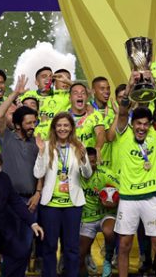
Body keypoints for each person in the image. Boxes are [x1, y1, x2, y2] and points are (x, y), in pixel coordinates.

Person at [106, 71, 156, 277]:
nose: (141, 128)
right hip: (128, 199)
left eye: (145, 124)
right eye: (138, 124)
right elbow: (123, 111)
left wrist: (154, 85)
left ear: (149, 126)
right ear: (133, 125)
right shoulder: (123, 133)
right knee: (124, 245)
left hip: (152, 198)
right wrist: (130, 85)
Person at [33, 113, 92, 277]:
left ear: (71, 128)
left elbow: (87, 174)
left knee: (72, 248)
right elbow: (38, 173)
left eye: (66, 125)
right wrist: (40, 153)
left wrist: (83, 158)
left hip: (72, 206)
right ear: (54, 128)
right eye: (59, 125)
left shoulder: (78, 146)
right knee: (50, 246)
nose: (62, 128)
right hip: (50, 206)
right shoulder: (46, 146)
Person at [0, 89, 43, 277]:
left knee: (25, 247)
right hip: (9, 202)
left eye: (34, 122)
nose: (32, 126)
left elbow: (41, 171)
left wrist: (38, 193)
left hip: (30, 202)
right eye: (28, 123)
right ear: (18, 124)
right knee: (10, 246)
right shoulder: (6, 137)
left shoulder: (36, 143)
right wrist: (14, 94)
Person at [78, 147, 119, 277]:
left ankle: (107, 258)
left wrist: (114, 202)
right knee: (79, 257)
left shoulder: (107, 173)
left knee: (109, 231)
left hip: (105, 214)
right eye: (88, 163)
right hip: (87, 218)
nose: (91, 165)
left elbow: (123, 192)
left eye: (94, 162)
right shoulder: (75, 175)